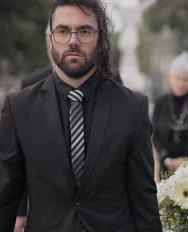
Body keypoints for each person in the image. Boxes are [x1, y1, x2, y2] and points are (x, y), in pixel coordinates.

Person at [0, 0, 162, 231]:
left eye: (84, 31)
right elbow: (3, 198)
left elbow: (144, 199)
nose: (73, 41)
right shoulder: (20, 108)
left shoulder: (133, 108)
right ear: (51, 39)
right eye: (63, 31)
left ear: (100, 37)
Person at [15, 24, 123, 232]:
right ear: (50, 41)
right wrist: (20, 211)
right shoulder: (29, 86)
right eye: (61, 34)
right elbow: (19, 160)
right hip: (49, 213)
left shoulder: (109, 80)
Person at [152, 52, 188, 172]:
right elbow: (155, 134)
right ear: (171, 78)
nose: (181, 83)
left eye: (186, 79)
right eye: (178, 78)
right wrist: (166, 159)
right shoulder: (160, 102)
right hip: (166, 167)